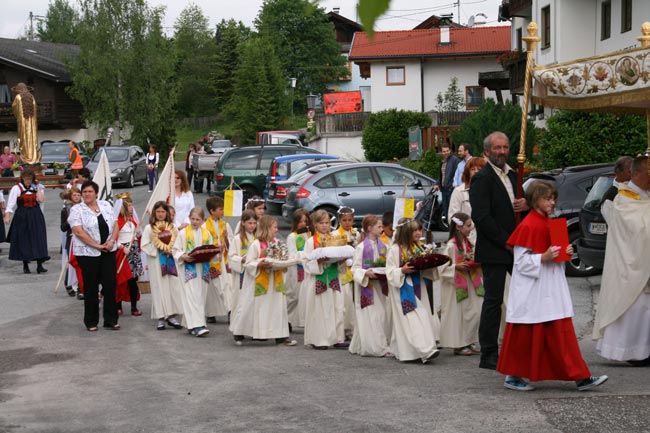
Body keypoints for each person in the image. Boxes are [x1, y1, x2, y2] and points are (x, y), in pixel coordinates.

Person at [498, 181, 608, 391]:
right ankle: (514, 376)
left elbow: (553, 253)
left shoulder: (549, 221)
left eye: (553, 198)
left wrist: (564, 251)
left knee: (560, 333)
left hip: (549, 287)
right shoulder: (528, 225)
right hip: (534, 290)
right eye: (547, 198)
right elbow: (520, 262)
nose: (552, 202)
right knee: (528, 333)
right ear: (535, 200)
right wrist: (544, 257)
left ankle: (581, 376)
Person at [469, 131, 528, 370]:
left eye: (505, 147)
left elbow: (522, 205)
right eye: (497, 148)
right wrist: (506, 241)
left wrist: (526, 204)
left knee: (526, 296)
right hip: (496, 248)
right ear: (487, 151)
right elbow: (481, 216)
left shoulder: (514, 175)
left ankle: (524, 346)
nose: (502, 151)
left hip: (517, 247)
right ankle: (489, 353)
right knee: (493, 301)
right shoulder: (482, 178)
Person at [593, 155, 650, 366]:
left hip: (646, 262)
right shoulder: (622, 198)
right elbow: (635, 227)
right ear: (635, 174)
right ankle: (628, 350)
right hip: (630, 263)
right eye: (648, 172)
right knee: (635, 308)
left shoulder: (646, 195)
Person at [230, 215, 296, 346]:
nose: (276, 230)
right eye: (274, 227)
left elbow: (283, 258)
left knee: (277, 307)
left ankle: (281, 336)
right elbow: (248, 264)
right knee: (251, 307)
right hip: (259, 281)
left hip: (275, 281)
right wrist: (259, 265)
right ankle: (239, 331)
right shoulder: (256, 244)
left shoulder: (277, 243)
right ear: (266, 228)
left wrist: (283, 263)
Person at [386, 218, 440, 363]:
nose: (418, 233)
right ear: (406, 232)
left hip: (418, 286)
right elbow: (390, 272)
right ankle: (425, 350)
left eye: (419, 229)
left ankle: (409, 350)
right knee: (413, 320)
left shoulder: (419, 247)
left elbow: (425, 268)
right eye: (414, 230)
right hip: (404, 288)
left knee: (421, 317)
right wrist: (402, 270)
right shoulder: (395, 249)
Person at [68, 180, 120, 331]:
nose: (87, 194)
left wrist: (111, 241)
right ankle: (91, 321)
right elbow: (78, 231)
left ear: (96, 193)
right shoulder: (77, 210)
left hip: (109, 250)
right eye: (84, 192)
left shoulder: (106, 205)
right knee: (91, 287)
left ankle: (111, 319)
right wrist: (97, 246)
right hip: (88, 253)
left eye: (90, 191)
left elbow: (115, 224)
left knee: (110, 285)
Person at [437, 212, 483, 356]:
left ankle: (469, 340)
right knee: (460, 314)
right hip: (455, 284)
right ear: (459, 227)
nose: (471, 229)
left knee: (474, 311)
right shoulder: (451, 246)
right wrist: (456, 267)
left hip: (470, 280)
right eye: (468, 226)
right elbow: (442, 268)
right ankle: (459, 344)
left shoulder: (468, 243)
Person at [302, 209, 348, 349]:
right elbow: (305, 261)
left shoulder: (335, 239)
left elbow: (340, 254)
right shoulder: (311, 241)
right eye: (321, 223)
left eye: (327, 223)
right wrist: (318, 262)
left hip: (333, 277)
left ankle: (338, 338)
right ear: (315, 224)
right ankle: (319, 339)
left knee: (337, 307)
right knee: (320, 310)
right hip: (318, 279)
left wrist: (341, 260)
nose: (325, 226)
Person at [349, 215, 391, 357]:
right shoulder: (361, 248)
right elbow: (354, 269)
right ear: (369, 228)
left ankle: (363, 343)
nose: (381, 229)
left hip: (379, 286)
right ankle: (375, 347)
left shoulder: (384, 246)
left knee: (381, 315)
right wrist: (366, 273)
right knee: (371, 315)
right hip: (366, 288)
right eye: (379, 227)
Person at [141, 201, 184, 331]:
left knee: (172, 288)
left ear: (167, 213)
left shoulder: (173, 227)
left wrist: (172, 250)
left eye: (163, 212)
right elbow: (144, 245)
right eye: (158, 211)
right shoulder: (150, 228)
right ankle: (160, 317)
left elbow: (178, 243)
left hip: (170, 261)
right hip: (156, 262)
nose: (160, 214)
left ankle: (171, 315)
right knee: (158, 288)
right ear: (154, 213)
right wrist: (158, 247)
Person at [172, 207, 212, 337]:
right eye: (192, 219)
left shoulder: (207, 234)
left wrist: (216, 252)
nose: (195, 222)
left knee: (200, 297)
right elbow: (175, 249)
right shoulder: (183, 233)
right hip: (189, 270)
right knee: (192, 297)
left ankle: (191, 323)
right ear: (189, 218)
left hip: (203, 269)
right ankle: (197, 326)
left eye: (198, 219)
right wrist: (183, 256)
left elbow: (211, 249)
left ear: (203, 220)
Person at [4, 169, 48, 274]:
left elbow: (41, 200)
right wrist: (7, 216)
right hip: (22, 215)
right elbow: (11, 203)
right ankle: (25, 265)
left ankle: (39, 264)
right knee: (24, 239)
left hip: (36, 215)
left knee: (38, 238)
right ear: (22, 178)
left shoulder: (36, 187)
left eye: (30, 179)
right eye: (26, 179)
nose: (28, 181)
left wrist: (37, 187)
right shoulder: (16, 188)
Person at [203, 196, 232, 322]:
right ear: (212, 211)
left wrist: (225, 238)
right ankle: (210, 312)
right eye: (220, 209)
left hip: (223, 260)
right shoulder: (204, 226)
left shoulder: (225, 225)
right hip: (211, 260)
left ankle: (231, 310)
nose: (223, 211)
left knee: (225, 285)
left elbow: (231, 244)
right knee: (211, 288)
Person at [115, 194, 143, 317]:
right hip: (123, 253)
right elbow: (114, 238)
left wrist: (138, 232)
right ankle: (118, 305)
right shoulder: (117, 222)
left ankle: (134, 306)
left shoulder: (133, 221)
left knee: (133, 281)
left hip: (133, 252)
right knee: (121, 280)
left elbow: (137, 237)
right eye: (129, 205)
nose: (132, 208)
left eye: (132, 205)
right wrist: (122, 247)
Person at [334, 206, 360, 340]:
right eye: (344, 220)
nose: (347, 223)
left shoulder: (356, 233)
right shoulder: (335, 235)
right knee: (345, 301)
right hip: (343, 271)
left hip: (354, 270)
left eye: (350, 220)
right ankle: (343, 328)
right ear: (339, 220)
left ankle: (352, 328)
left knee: (354, 301)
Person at [448, 157, 487, 246]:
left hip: (485, 241)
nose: (476, 171)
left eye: (479, 169)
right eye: (473, 169)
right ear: (467, 172)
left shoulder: (488, 192)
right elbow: (453, 218)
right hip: (466, 241)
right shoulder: (459, 191)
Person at [227, 210, 257, 323]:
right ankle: (237, 326)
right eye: (249, 223)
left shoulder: (257, 237)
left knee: (251, 301)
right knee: (239, 300)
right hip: (241, 274)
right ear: (243, 223)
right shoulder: (237, 238)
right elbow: (231, 257)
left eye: (254, 223)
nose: (252, 226)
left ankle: (250, 328)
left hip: (253, 273)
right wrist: (241, 259)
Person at [287, 209, 310, 329]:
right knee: (294, 296)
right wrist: (305, 256)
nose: (303, 224)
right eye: (300, 221)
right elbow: (293, 254)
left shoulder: (308, 234)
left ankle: (301, 320)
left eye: (305, 221)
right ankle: (286, 318)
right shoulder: (292, 236)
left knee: (304, 296)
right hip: (296, 270)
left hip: (307, 269)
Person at [60, 187, 82, 297]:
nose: (77, 197)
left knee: (82, 264)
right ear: (70, 197)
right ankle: (68, 283)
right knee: (73, 262)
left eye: (78, 195)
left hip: (82, 238)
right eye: (74, 195)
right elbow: (63, 228)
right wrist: (68, 221)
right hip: (71, 239)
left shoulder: (84, 208)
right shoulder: (66, 210)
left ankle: (80, 287)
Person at [600, 155, 633, 223]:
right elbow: (614, 224)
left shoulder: (635, 189)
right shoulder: (610, 197)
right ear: (618, 172)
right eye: (630, 172)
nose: (634, 175)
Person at [12, 83, 39, 164]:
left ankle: (25, 157)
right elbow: (35, 109)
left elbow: (14, 107)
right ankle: (33, 157)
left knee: (23, 138)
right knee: (32, 139)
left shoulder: (18, 97)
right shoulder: (32, 97)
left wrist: (19, 117)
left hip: (22, 124)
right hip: (32, 124)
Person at [437, 143, 460, 218]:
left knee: (453, 210)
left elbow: (458, 174)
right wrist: (437, 183)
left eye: (447, 151)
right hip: (444, 189)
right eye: (444, 151)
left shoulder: (455, 160)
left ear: (450, 151)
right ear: (441, 152)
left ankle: (454, 228)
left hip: (451, 189)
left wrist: (454, 186)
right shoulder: (443, 161)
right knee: (446, 210)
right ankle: (450, 228)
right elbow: (441, 175)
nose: (445, 153)